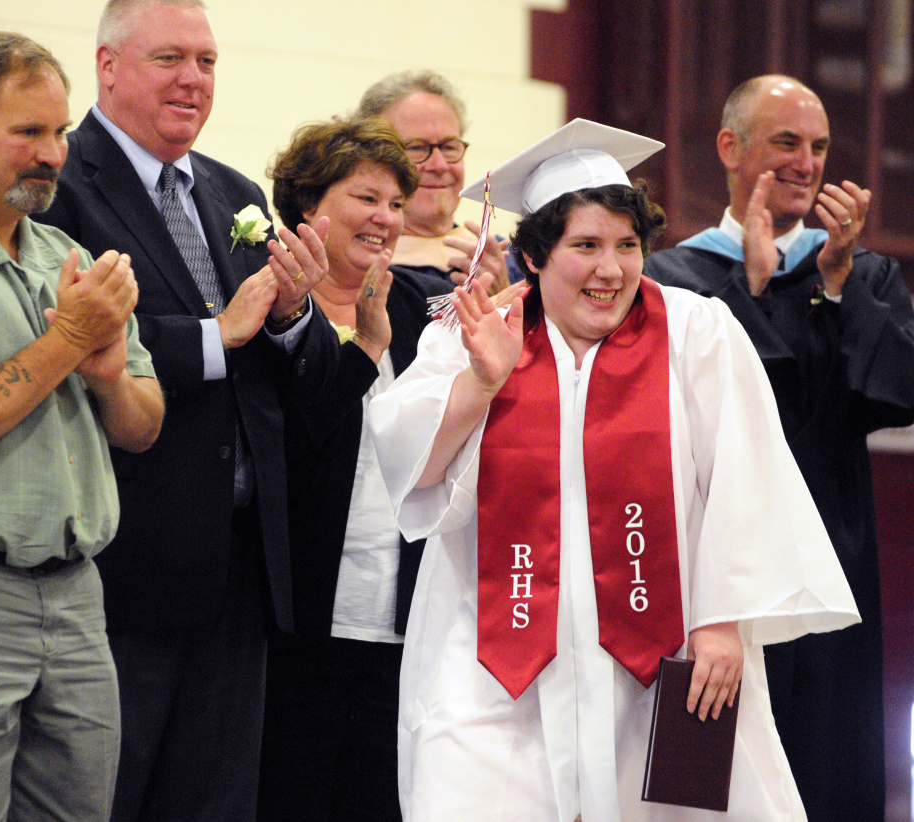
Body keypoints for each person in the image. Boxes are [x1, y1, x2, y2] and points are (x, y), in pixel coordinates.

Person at [368, 118, 860, 821]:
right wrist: (482, 382)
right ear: (534, 256)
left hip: (661, 657)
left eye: (628, 245)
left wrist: (722, 621)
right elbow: (410, 472)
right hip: (492, 659)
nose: (612, 270)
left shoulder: (696, 332)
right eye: (586, 246)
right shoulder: (474, 334)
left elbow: (746, 477)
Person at [33, 1, 340, 820]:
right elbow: (56, 338)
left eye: (207, 62)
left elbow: (286, 374)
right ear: (107, 68)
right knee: (108, 797)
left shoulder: (233, 192)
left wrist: (293, 317)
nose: (193, 80)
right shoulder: (61, 188)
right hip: (126, 561)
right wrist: (215, 335)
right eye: (169, 58)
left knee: (217, 802)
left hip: (240, 565)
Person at [642, 75, 914, 822]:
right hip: (711, 573)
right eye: (786, 142)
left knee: (828, 773)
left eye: (819, 146)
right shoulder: (671, 279)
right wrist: (751, 290)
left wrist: (839, 284)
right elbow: (677, 410)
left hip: (825, 559)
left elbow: (896, 393)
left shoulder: (860, 271)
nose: (807, 162)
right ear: (731, 148)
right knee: (703, 786)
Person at [0, 30, 163, 822]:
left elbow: (143, 425)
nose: (52, 154)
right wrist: (70, 338)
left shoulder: (66, 254)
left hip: (76, 592)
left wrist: (106, 373)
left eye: (59, 132)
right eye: (27, 132)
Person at [256, 115, 451, 822]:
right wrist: (363, 352)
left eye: (396, 203)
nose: (386, 218)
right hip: (298, 627)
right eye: (367, 198)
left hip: (403, 621)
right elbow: (288, 449)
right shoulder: (272, 300)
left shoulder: (416, 305)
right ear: (309, 206)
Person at [359, 69, 524, 289]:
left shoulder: (506, 262)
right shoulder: (358, 269)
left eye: (449, 147)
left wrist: (501, 295)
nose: (440, 165)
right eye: (417, 148)